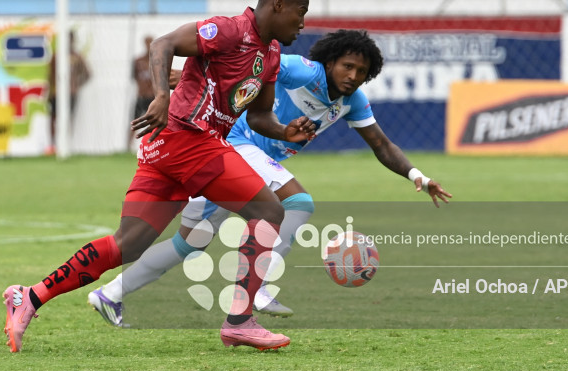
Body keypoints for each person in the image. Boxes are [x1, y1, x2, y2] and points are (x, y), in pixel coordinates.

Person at [4, 0, 314, 352]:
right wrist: (161, 96)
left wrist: (285, 132)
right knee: (269, 211)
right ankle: (240, 321)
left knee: (127, 245)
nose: (302, 23)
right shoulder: (230, 30)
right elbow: (164, 44)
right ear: (277, 5)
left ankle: (29, 296)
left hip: (169, 147)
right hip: (187, 137)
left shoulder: (271, 55)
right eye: (300, 12)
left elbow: (258, 117)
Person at [87, 29, 452, 327]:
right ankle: (257, 289)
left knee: (189, 245)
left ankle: (110, 294)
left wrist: (417, 175)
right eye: (347, 66)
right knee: (298, 203)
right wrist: (192, 76)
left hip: (239, 166)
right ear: (330, 61)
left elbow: (382, 144)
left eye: (361, 71)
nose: (353, 76)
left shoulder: (351, 101)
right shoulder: (303, 70)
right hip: (232, 145)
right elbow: (253, 69)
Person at [47, 29, 91, 154]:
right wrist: (50, 91)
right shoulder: (57, 55)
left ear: (73, 40)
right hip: (57, 93)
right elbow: (51, 75)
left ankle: (65, 145)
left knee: (68, 119)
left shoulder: (77, 57)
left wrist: (76, 84)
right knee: (53, 118)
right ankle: (53, 145)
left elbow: (87, 74)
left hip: (71, 93)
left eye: (70, 39)